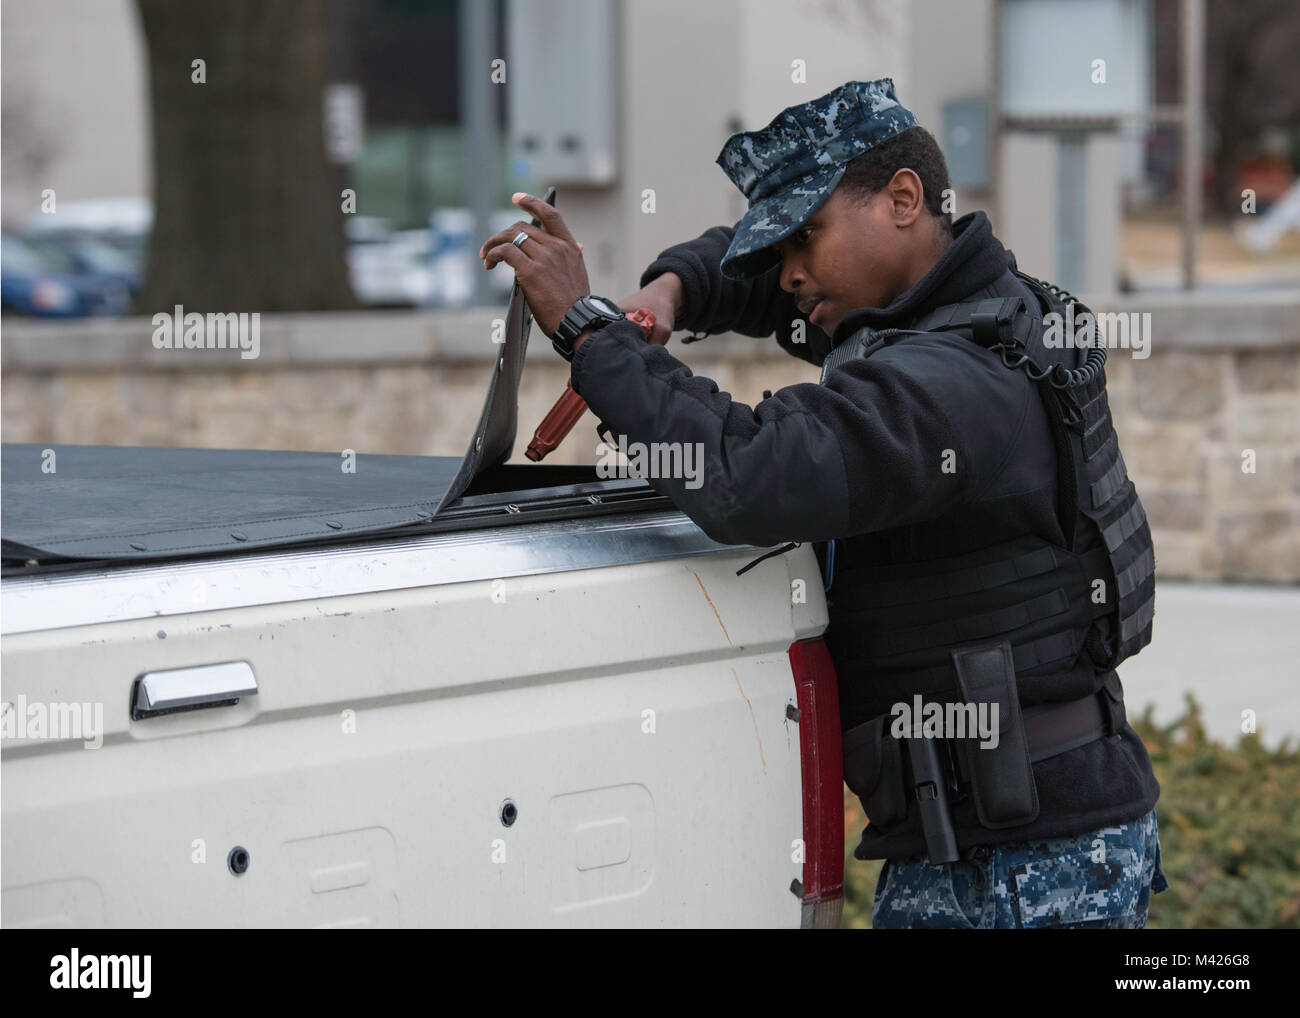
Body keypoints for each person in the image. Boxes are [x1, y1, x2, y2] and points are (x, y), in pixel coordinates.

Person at [478, 78, 1169, 928]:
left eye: (806, 235)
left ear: (903, 199)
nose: (794, 271)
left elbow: (748, 473)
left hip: (1018, 873)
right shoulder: (981, 309)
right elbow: (770, 283)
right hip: (1036, 834)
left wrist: (589, 331)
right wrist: (671, 294)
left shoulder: (951, 389)